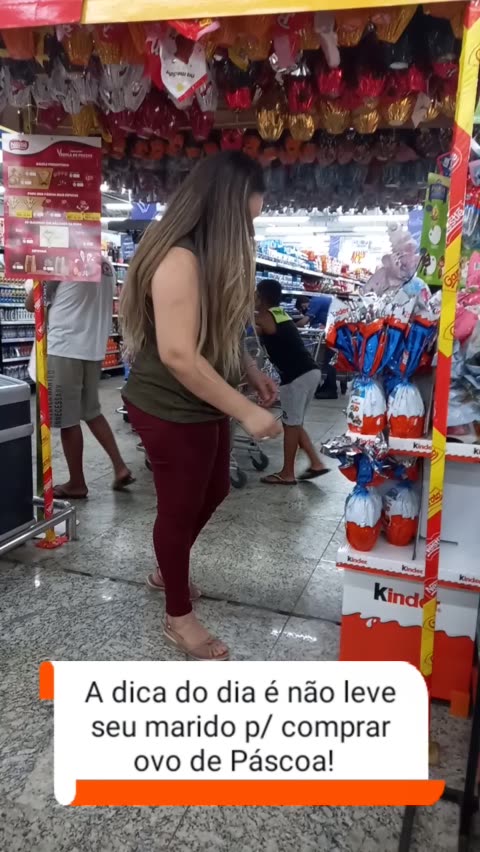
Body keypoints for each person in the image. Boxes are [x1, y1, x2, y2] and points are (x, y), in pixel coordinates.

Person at [120, 151, 280, 662]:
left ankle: (169, 569)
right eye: (246, 220)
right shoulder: (179, 259)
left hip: (204, 402)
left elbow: (220, 334)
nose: (249, 232)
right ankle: (178, 615)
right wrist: (246, 411)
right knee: (180, 507)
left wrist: (249, 372)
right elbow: (178, 355)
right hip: (168, 405)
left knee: (214, 491)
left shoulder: (212, 259)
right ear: (225, 209)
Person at [26, 258, 134, 499]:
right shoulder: (106, 264)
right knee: (91, 411)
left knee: (67, 420)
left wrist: (37, 274)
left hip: (65, 347)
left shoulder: (62, 259)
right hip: (93, 349)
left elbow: (33, 303)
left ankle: (77, 483)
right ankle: (119, 466)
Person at [255, 278, 330, 486]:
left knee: (291, 424)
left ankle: (287, 473)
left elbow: (247, 326)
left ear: (260, 297)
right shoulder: (280, 313)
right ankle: (316, 463)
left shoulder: (264, 316)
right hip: (309, 371)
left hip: (296, 377)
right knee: (294, 423)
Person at [308, 293, 340, 399]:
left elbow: (306, 319)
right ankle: (328, 386)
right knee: (330, 359)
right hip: (336, 331)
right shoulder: (329, 298)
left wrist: (293, 326)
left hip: (331, 332)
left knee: (329, 360)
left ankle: (331, 388)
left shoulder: (317, 299)